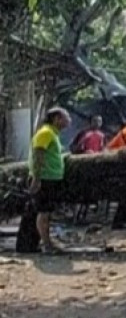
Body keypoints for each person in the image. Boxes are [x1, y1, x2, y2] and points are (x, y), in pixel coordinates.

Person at [28, 107, 72, 253]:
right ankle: (47, 245)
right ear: (56, 119)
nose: (68, 121)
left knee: (47, 213)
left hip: (51, 178)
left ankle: (46, 243)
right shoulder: (46, 133)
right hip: (45, 179)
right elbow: (38, 154)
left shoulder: (53, 134)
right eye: (66, 117)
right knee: (43, 213)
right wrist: (36, 178)